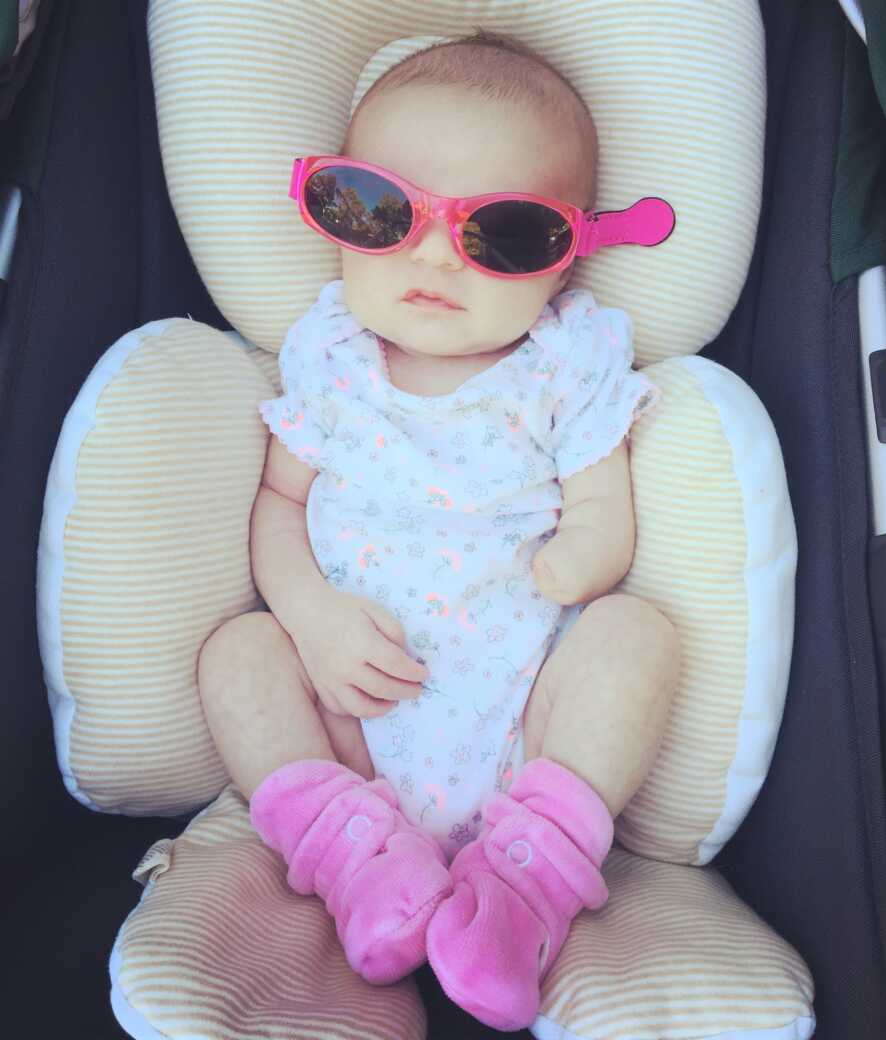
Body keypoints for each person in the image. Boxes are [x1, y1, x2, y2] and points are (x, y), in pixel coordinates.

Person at [197, 30, 679, 1032]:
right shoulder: (330, 353)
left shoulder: (564, 363)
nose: (428, 253)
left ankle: (528, 877)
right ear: (331, 213)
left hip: (519, 720)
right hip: (350, 728)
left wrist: (579, 557)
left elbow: (602, 513)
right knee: (238, 654)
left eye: (501, 234)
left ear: (571, 252)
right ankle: (352, 856)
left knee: (643, 637)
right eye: (377, 211)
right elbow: (281, 505)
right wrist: (310, 613)